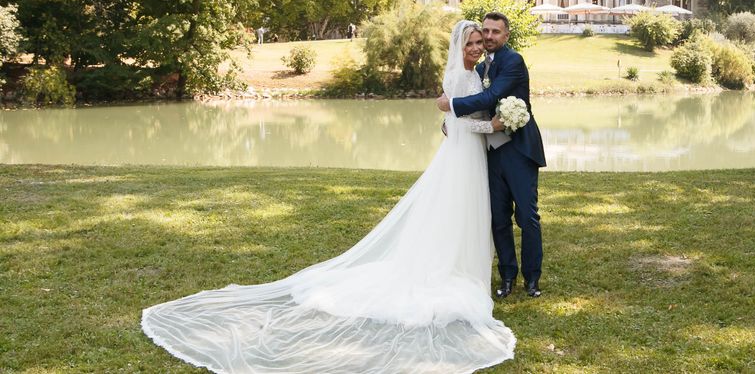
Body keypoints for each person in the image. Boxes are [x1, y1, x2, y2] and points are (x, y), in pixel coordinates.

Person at [141, 20, 515, 373]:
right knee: (455, 206)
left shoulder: (477, 73)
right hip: (463, 153)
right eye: (471, 43)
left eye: (481, 43)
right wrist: (492, 124)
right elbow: (460, 120)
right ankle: (449, 269)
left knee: (463, 210)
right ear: (459, 47)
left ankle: (460, 266)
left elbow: (455, 117)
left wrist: (469, 120)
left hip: (470, 154)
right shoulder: (459, 75)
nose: (477, 48)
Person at [437, 12, 546, 299]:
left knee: (527, 217)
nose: (488, 37)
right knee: (498, 218)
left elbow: (489, 98)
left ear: (506, 35)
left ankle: (532, 279)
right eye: (485, 31)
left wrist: (451, 106)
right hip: (490, 152)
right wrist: (453, 122)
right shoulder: (481, 66)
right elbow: (483, 109)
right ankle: (507, 276)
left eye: (495, 32)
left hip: (519, 150)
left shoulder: (513, 61)